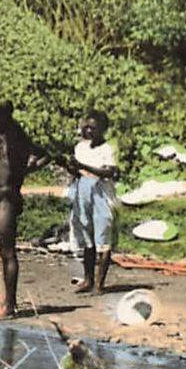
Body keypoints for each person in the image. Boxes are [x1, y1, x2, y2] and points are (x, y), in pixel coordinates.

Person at [0, 102, 49, 320]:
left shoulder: (14, 135)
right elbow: (41, 153)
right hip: (0, 195)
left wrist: (24, 170)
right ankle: (7, 302)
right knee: (4, 252)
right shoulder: (3, 135)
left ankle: (9, 306)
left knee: (8, 252)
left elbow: (45, 153)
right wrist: (27, 169)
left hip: (7, 196)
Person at [66, 110, 121, 294]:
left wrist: (83, 167)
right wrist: (71, 166)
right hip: (82, 192)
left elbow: (109, 173)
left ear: (103, 130)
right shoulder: (80, 147)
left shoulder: (107, 149)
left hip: (100, 194)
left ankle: (100, 283)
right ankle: (88, 278)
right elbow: (76, 172)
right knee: (86, 235)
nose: (88, 131)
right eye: (86, 127)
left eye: (93, 128)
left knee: (103, 237)